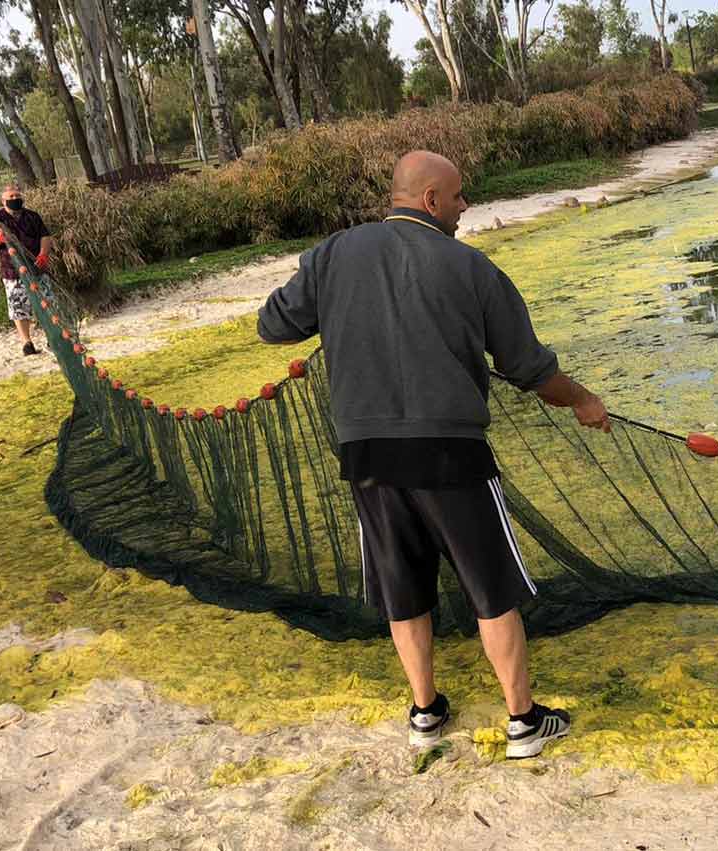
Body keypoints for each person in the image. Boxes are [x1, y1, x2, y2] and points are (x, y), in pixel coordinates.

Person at [256, 150, 611, 759]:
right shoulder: (471, 267)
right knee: (491, 588)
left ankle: (425, 712)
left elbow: (274, 324)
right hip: (451, 453)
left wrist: (332, 296)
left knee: (403, 586)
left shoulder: (335, 252)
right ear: (429, 201)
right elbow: (526, 366)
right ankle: (523, 721)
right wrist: (582, 400)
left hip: (365, 454)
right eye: (458, 197)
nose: (466, 206)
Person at [0, 184, 53, 356]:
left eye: (17, 196)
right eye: (11, 197)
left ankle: (52, 336)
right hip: (12, 271)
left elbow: (45, 236)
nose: (15, 199)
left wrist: (43, 254)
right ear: (3, 200)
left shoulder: (32, 216)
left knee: (48, 302)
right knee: (19, 307)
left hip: (36, 267)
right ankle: (27, 343)